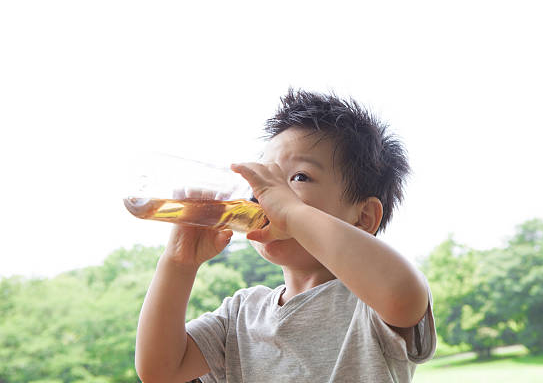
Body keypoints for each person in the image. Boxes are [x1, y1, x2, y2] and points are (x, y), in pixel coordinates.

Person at [135, 89, 437, 383]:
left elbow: (402, 294)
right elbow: (160, 371)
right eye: (267, 179)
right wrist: (179, 263)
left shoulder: (368, 301)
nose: (267, 195)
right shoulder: (240, 315)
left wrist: (291, 212)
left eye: (298, 177)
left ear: (363, 217)